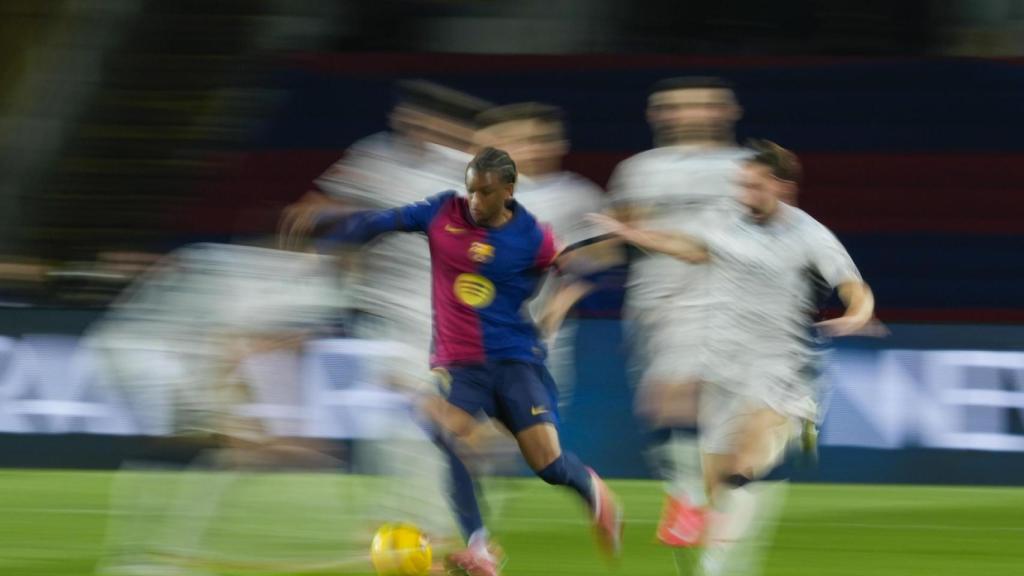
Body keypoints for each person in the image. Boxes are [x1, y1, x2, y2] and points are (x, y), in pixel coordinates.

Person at [318, 147, 623, 576]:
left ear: (508, 190)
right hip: (460, 365)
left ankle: (592, 490)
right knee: (443, 428)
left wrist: (562, 301)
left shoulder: (533, 237)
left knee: (548, 465)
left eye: (485, 192)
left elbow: (574, 270)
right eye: (471, 190)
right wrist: (332, 231)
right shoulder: (443, 210)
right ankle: (480, 547)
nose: (475, 201)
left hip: (516, 362)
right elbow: (381, 222)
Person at [591, 140, 878, 576]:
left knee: (743, 463)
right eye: (741, 185)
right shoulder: (725, 220)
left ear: (782, 187)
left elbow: (852, 286)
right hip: (722, 367)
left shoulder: (810, 234)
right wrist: (634, 236)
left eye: (754, 186)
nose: (744, 194)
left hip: (780, 368)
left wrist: (857, 315)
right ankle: (723, 559)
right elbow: (691, 248)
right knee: (720, 489)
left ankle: (715, 564)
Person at [605, 76, 749, 548]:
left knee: (683, 393)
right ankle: (692, 495)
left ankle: (689, 502)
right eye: (674, 107)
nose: (688, 115)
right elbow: (620, 234)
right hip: (655, 297)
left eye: (701, 105)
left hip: (726, 294)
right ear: (658, 115)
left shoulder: (748, 166)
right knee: (660, 401)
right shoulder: (637, 171)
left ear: (725, 111)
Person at [475, 102, 605, 402]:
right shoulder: (462, 194)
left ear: (561, 143)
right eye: (518, 141)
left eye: (542, 140)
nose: (531, 149)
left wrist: (557, 309)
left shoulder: (580, 196)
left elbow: (601, 266)